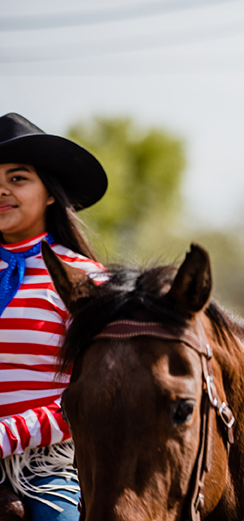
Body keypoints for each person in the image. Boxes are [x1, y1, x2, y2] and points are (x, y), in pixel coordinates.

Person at [0, 113, 107, 520]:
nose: (2, 190)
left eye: (18, 178)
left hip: (42, 468)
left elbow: (99, 390)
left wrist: (8, 435)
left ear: (49, 193)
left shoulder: (89, 280)